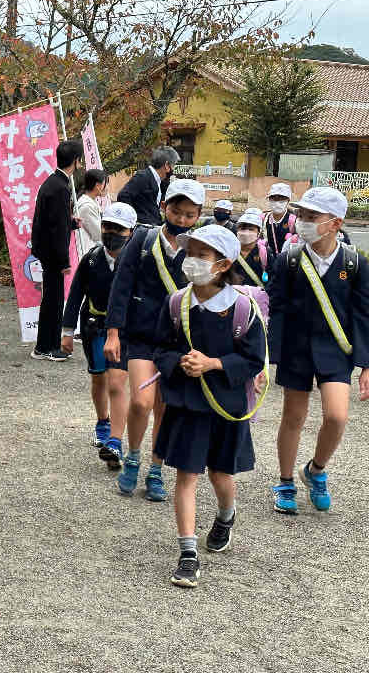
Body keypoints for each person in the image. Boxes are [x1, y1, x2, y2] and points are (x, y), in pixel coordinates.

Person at [152, 224, 267, 588]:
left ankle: (226, 515)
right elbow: (160, 348)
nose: (193, 261)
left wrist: (214, 363)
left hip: (226, 406)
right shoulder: (175, 303)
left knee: (221, 474)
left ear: (222, 264)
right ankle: (187, 554)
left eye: (202, 255)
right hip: (188, 404)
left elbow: (254, 359)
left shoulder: (242, 309)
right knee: (186, 475)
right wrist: (178, 363)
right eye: (191, 253)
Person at [268, 187, 369, 515]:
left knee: (337, 416)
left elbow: (363, 314)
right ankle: (285, 480)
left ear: (335, 223)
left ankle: (316, 470)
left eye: (312, 217)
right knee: (293, 417)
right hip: (296, 349)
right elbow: (277, 308)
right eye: (302, 216)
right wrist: (271, 356)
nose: (303, 222)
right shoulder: (290, 259)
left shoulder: (354, 263)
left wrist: (366, 363)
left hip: (335, 351)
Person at [104, 179, 205, 501]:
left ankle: (156, 469)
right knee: (141, 401)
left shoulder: (199, 248)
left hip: (178, 341)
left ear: (199, 215)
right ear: (165, 208)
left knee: (165, 410)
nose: (182, 219)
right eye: (177, 211)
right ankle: (133, 456)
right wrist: (113, 332)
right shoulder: (143, 240)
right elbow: (121, 285)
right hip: (142, 335)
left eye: (190, 215)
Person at [60, 202, 137, 469]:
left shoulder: (136, 261)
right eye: (107, 227)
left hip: (124, 331)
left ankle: (115, 441)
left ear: (131, 231)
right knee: (99, 379)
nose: (111, 232)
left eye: (119, 228)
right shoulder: (91, 259)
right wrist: (67, 332)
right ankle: (103, 421)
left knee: (117, 382)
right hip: (94, 325)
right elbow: (75, 296)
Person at [31, 140, 84, 361]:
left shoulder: (51, 183)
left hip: (45, 250)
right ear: (76, 160)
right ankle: (50, 347)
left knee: (50, 300)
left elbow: (54, 222)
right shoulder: (61, 188)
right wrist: (64, 262)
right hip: (53, 254)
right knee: (53, 301)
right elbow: (57, 229)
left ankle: (43, 346)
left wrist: (71, 223)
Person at [116, 146, 180, 227]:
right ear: (167, 165)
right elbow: (123, 196)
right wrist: (136, 221)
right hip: (142, 229)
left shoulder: (160, 181)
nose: (173, 169)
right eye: (173, 165)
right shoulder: (143, 176)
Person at [233, 208, 269, 288]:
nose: (246, 232)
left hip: (256, 298)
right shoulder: (230, 251)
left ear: (259, 233)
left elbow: (273, 281)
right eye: (242, 229)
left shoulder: (265, 253)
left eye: (251, 229)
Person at [75, 169, 108, 251]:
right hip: (86, 252)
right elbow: (98, 234)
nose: (107, 187)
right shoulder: (87, 206)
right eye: (105, 184)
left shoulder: (90, 201)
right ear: (98, 186)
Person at [263, 182, 296, 254]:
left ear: (288, 201)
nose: (277, 202)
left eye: (281, 199)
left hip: (286, 261)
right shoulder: (264, 219)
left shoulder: (293, 220)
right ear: (269, 199)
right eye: (274, 198)